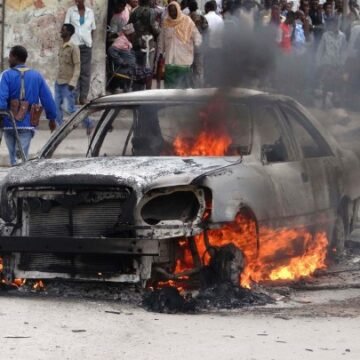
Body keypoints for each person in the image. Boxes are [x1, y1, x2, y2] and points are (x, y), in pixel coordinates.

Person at [0, 45, 56, 165]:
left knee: (13, 158)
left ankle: (14, 177)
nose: (8, 59)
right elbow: (47, 98)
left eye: (10, 56)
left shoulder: (6, 75)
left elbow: (1, 99)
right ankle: (18, 179)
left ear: (15, 57)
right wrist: (52, 118)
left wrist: (2, 114)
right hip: (27, 123)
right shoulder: (37, 76)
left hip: (9, 123)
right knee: (22, 158)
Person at [158, 1, 202, 88]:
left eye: (174, 10)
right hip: (170, 60)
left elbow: (196, 34)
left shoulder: (187, 20)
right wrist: (160, 52)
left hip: (184, 60)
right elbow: (162, 39)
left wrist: (197, 44)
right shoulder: (166, 22)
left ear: (178, 10)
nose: (172, 13)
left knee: (183, 87)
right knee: (170, 87)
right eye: (170, 11)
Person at [65, 0, 96, 105]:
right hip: (74, 46)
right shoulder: (70, 11)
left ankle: (83, 97)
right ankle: (73, 98)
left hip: (86, 46)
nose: (79, 1)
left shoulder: (90, 12)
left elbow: (93, 29)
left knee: (85, 72)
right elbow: (66, 28)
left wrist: (90, 41)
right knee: (74, 72)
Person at [129, 0, 160, 88]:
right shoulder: (151, 12)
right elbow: (154, 28)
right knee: (148, 69)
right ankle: (147, 90)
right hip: (148, 44)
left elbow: (129, 25)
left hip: (136, 42)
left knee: (138, 68)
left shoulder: (134, 11)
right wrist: (159, 31)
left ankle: (137, 89)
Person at [55, 23, 80, 127]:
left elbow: (77, 66)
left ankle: (88, 123)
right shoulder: (61, 46)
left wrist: (73, 82)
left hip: (67, 83)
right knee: (56, 107)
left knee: (70, 108)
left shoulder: (74, 47)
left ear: (69, 32)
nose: (61, 31)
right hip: (58, 82)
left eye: (63, 30)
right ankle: (59, 128)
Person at [189, 0, 208, 87]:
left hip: (188, 46)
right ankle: (199, 87)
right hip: (199, 46)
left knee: (189, 68)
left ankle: (190, 86)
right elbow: (206, 29)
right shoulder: (202, 17)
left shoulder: (186, 18)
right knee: (199, 69)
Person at [204, 0, 224, 86]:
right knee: (215, 66)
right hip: (218, 46)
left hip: (208, 46)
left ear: (207, 8)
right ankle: (214, 83)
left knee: (207, 66)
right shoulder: (220, 19)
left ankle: (207, 83)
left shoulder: (204, 17)